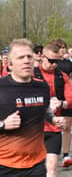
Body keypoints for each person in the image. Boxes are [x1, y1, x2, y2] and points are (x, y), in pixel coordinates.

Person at [0, 38, 65, 177]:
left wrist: (53, 118)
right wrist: (2, 124)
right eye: (21, 57)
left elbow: (43, 110)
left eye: (29, 57)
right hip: (4, 165)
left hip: (36, 164)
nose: (26, 60)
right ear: (9, 64)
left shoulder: (42, 87)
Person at [48, 39, 72, 168]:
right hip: (52, 99)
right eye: (59, 47)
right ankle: (50, 154)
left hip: (65, 98)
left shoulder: (68, 63)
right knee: (52, 127)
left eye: (64, 47)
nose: (62, 49)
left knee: (67, 127)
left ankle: (66, 155)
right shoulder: (49, 61)